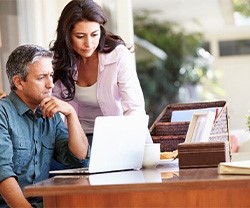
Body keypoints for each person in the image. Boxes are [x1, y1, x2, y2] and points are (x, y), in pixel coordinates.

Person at [50, 0, 152, 147]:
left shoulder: (118, 56)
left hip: (115, 136)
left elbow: (134, 108)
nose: (89, 43)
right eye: (80, 36)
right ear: (67, 35)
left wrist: (135, 146)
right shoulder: (58, 61)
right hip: (75, 138)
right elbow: (54, 103)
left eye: (94, 34)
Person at [0, 44, 89, 208]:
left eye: (51, 75)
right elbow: (2, 174)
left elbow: (78, 159)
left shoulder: (50, 113)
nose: (51, 84)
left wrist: (71, 114)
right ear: (19, 82)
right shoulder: (2, 113)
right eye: (41, 78)